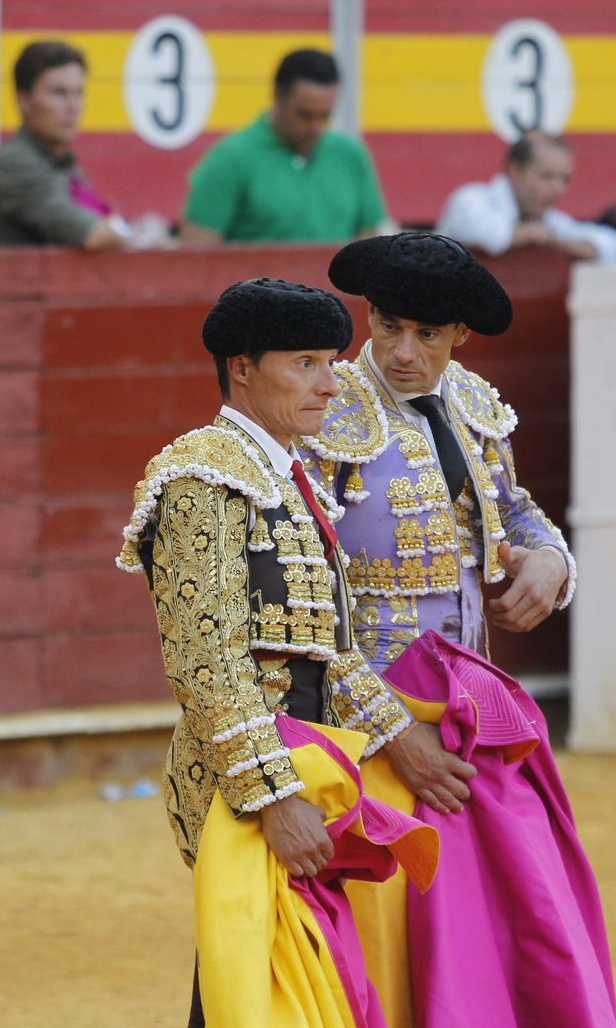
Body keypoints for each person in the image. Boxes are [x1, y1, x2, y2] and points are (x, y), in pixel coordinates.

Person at [116, 279, 466, 1027]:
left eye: (331, 361)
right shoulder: (203, 477)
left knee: (278, 980)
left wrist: (402, 737)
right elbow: (205, 659)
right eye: (304, 362)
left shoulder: (287, 473)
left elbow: (330, 651)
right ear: (242, 367)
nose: (329, 382)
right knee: (251, 981)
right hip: (249, 781)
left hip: (308, 765)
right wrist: (274, 798)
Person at [299, 232, 616, 1028]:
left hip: (472, 706)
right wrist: (389, 728)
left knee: (500, 915)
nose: (403, 352)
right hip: (365, 712)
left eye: (427, 335)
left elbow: (513, 508)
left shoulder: (475, 400)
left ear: (459, 336)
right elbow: (303, 598)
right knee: (386, 932)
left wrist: (549, 558)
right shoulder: (324, 411)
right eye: (388, 327)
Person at [180, 50, 389, 246]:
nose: (316, 128)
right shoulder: (229, 160)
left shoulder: (351, 156)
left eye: (325, 116)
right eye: (305, 115)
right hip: (259, 285)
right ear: (278, 96)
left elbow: (369, 251)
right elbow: (195, 261)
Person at [0, 41, 137, 250]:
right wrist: (136, 233)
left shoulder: (59, 159)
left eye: (79, 93)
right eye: (59, 93)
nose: (73, 106)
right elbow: (92, 234)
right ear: (24, 100)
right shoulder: (13, 164)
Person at [435, 131, 616, 264]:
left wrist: (591, 248)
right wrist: (531, 235)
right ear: (515, 170)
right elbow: (482, 233)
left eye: (564, 180)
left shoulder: (550, 222)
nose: (558, 189)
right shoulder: (471, 200)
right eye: (547, 177)